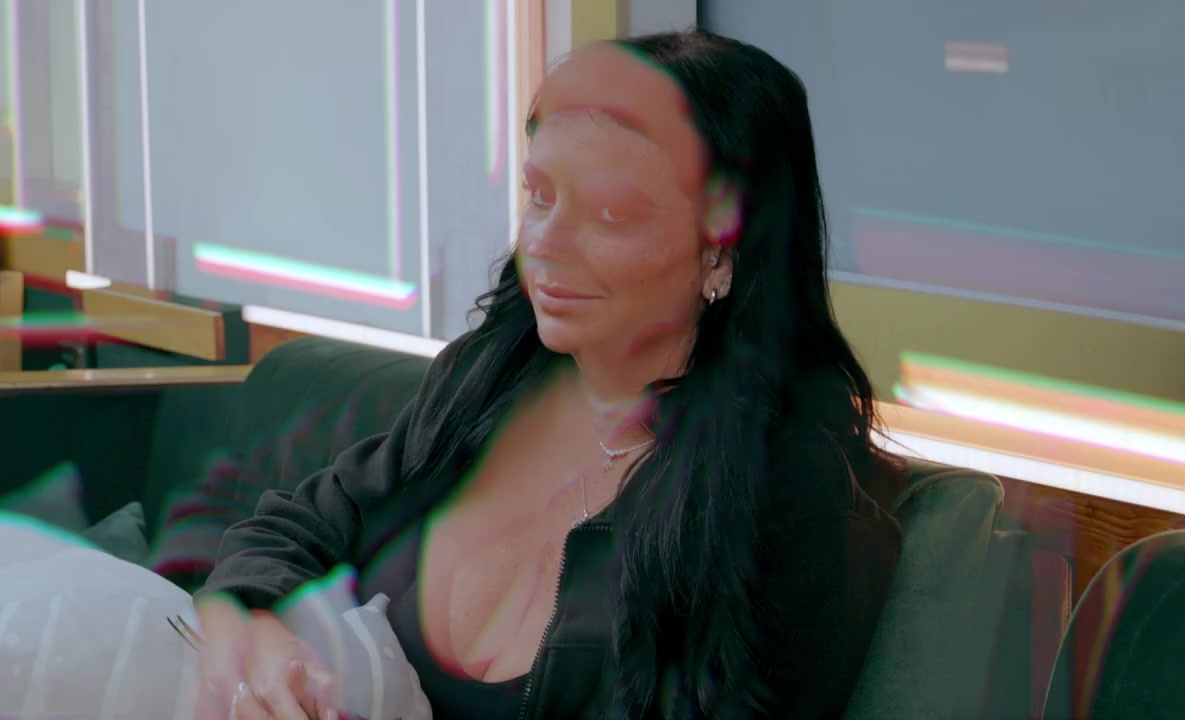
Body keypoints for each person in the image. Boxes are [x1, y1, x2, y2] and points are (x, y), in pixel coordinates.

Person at [196, 29, 904, 720]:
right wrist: (259, 634)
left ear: (722, 254)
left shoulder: (794, 505)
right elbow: (294, 527)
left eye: (610, 212)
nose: (544, 244)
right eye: (540, 196)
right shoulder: (491, 379)